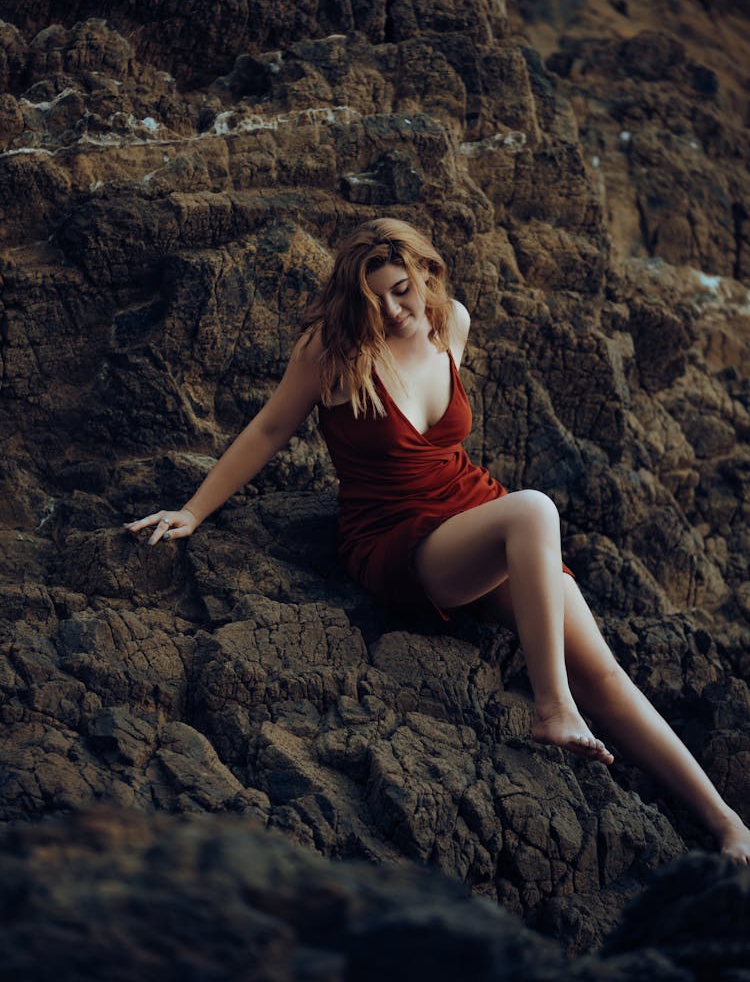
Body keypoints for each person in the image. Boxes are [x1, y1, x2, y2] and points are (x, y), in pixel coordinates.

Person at [124, 216, 750, 864]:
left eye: (403, 289)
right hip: (397, 538)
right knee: (534, 510)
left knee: (604, 669)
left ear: (425, 272)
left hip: (475, 514)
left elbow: (440, 444)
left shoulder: (453, 322)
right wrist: (194, 511)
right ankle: (550, 705)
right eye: (378, 300)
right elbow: (267, 430)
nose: (395, 310)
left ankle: (728, 825)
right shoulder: (331, 351)